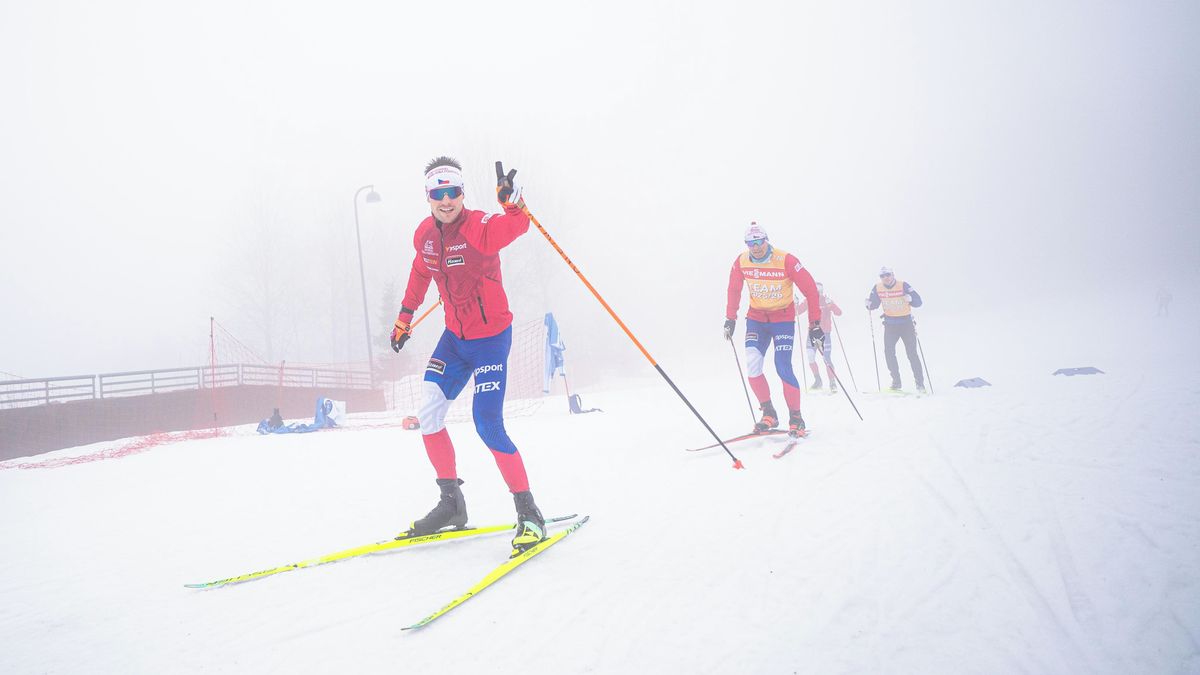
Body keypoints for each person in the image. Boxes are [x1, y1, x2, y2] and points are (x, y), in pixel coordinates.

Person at [389, 156, 546, 557]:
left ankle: (529, 513)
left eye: (453, 191)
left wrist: (513, 204)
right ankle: (451, 503)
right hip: (455, 340)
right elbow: (420, 273)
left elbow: (516, 225)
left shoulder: (479, 228)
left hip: (491, 339)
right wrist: (405, 318)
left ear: (462, 194)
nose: (446, 200)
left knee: (487, 424)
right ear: (428, 196)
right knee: (428, 412)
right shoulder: (425, 236)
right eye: (437, 193)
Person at [725, 222, 822, 436]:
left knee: (782, 365)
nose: (756, 247)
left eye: (759, 242)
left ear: (766, 240)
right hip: (756, 319)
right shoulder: (741, 261)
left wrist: (815, 324)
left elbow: (810, 290)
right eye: (750, 243)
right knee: (752, 364)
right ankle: (769, 413)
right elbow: (734, 289)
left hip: (782, 319)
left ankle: (796, 417)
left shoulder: (786, 260)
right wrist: (730, 318)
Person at [865, 266, 925, 392]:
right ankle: (896, 382)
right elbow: (874, 304)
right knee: (889, 353)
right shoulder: (877, 288)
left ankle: (920, 384)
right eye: (882, 276)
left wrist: (911, 299)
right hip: (890, 325)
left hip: (906, 324)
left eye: (888, 275)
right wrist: (869, 304)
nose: (885, 278)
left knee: (912, 353)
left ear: (893, 275)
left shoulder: (903, 285)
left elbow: (919, 302)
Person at [796, 282, 843, 392]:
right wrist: (795, 304)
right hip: (812, 333)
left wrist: (831, 305)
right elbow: (797, 312)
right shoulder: (808, 300)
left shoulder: (826, 300)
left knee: (826, 358)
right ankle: (818, 381)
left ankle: (832, 382)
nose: (818, 294)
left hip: (825, 333)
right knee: (810, 356)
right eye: (815, 292)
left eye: (819, 292)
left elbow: (839, 313)